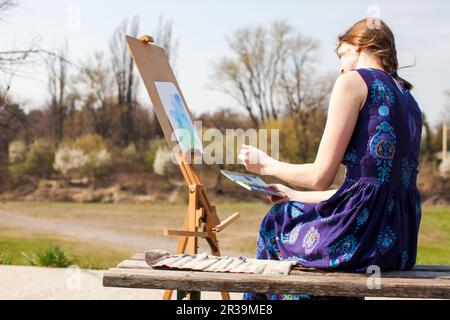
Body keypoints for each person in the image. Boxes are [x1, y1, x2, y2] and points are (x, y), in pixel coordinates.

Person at [238, 17, 423, 300]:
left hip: (359, 240)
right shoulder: (408, 99)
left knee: (276, 222)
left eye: (343, 54)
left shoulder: (353, 82)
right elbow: (362, 193)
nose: (340, 66)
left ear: (360, 45)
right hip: (398, 243)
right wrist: (292, 194)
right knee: (291, 211)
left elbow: (319, 177)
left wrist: (266, 165)